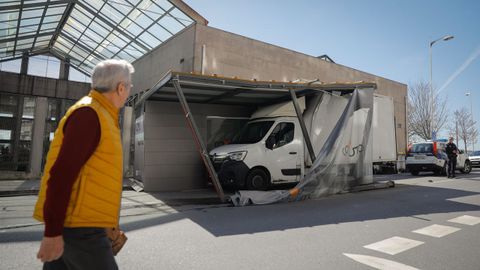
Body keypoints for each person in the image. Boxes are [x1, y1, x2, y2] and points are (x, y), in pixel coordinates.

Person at [33, 59, 134, 269]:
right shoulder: (89, 115)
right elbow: (61, 175)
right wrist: (52, 232)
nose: (130, 91)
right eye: (130, 86)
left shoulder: (101, 115)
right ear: (120, 87)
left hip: (79, 226)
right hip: (81, 230)